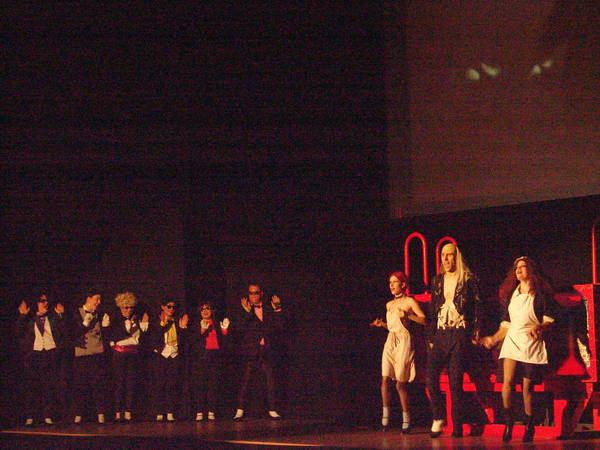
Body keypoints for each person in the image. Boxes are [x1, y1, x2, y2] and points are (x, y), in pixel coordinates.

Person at [480, 256, 556, 442]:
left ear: (532, 269)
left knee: (527, 387)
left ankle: (529, 426)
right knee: (507, 382)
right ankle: (509, 424)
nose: (519, 270)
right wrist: (493, 339)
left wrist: (539, 327)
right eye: (516, 268)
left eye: (523, 266)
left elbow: (549, 321)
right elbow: (506, 325)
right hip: (513, 340)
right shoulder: (511, 295)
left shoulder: (541, 295)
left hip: (531, 342)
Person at [426, 243, 483, 438]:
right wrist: (431, 336)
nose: (446, 259)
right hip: (441, 333)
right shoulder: (437, 280)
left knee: (455, 381)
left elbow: (477, 307)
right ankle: (438, 416)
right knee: (430, 377)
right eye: (443, 255)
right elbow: (433, 309)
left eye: (449, 255)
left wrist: (475, 332)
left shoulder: (467, 279)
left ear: (456, 257)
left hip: (459, 333)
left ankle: (457, 426)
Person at [370, 271, 426, 432]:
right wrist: (382, 325)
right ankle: (385, 418)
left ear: (403, 284)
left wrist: (408, 315)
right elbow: (393, 327)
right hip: (391, 341)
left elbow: (424, 320)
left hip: (404, 341)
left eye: (395, 282)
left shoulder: (410, 302)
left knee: (400, 383)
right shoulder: (389, 304)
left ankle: (406, 419)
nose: (392, 285)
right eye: (390, 282)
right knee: (385, 379)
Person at [233, 283, 285, 420]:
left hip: (266, 349)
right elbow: (239, 330)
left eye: (256, 292)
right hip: (251, 350)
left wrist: (278, 309)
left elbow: (280, 327)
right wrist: (247, 313)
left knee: (270, 380)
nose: (253, 295)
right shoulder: (243, 310)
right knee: (246, 380)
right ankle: (240, 410)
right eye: (251, 293)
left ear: (261, 294)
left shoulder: (268, 309)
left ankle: (272, 409)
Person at [16, 292, 65, 426]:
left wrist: (61, 316)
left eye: (46, 301)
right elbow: (18, 332)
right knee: (31, 387)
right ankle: (30, 416)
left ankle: (47, 415)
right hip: (34, 356)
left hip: (50, 354)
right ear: (36, 303)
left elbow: (63, 332)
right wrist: (22, 316)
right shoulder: (30, 319)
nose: (45, 303)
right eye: (42, 301)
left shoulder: (53, 317)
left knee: (48, 387)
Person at [105, 291, 149, 422]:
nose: (128, 310)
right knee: (119, 382)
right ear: (120, 307)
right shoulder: (115, 319)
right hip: (119, 353)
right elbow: (111, 336)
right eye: (126, 307)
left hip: (133, 353)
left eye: (131, 307)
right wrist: (125, 330)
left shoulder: (136, 318)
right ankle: (118, 411)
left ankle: (128, 410)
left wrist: (143, 326)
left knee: (130, 382)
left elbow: (141, 338)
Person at [70, 288, 111, 424]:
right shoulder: (76, 313)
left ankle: (101, 414)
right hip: (82, 354)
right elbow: (72, 334)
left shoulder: (101, 314)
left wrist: (106, 327)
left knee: (98, 385)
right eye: (96, 299)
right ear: (88, 299)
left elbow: (105, 335)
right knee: (80, 386)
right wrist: (84, 324)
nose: (99, 302)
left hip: (97, 353)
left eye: (100, 300)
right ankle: (78, 414)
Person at [188, 301, 230, 421]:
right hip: (201, 357)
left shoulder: (217, 323)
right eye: (203, 309)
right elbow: (192, 341)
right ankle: (199, 411)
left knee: (213, 385)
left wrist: (225, 331)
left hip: (215, 356)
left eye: (207, 308)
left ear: (212, 311)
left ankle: (211, 411)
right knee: (200, 384)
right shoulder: (195, 324)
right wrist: (202, 331)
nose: (205, 311)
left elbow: (224, 342)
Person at [148, 299, 188, 422]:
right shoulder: (156, 321)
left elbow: (183, 340)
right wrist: (162, 325)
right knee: (159, 384)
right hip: (161, 355)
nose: (171, 309)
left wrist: (183, 329)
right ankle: (159, 412)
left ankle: (170, 412)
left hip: (174, 355)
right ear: (163, 307)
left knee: (172, 384)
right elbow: (152, 337)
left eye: (173, 307)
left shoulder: (177, 320)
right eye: (169, 306)